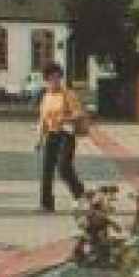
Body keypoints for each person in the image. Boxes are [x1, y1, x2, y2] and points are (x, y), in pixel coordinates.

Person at [35, 63, 86, 212]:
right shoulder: (46, 97)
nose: (55, 80)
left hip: (67, 134)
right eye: (52, 78)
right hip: (51, 134)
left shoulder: (68, 94)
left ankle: (79, 195)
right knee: (47, 170)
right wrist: (39, 139)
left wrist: (66, 119)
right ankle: (46, 204)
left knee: (64, 166)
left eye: (58, 77)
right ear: (46, 79)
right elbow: (42, 119)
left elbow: (79, 113)